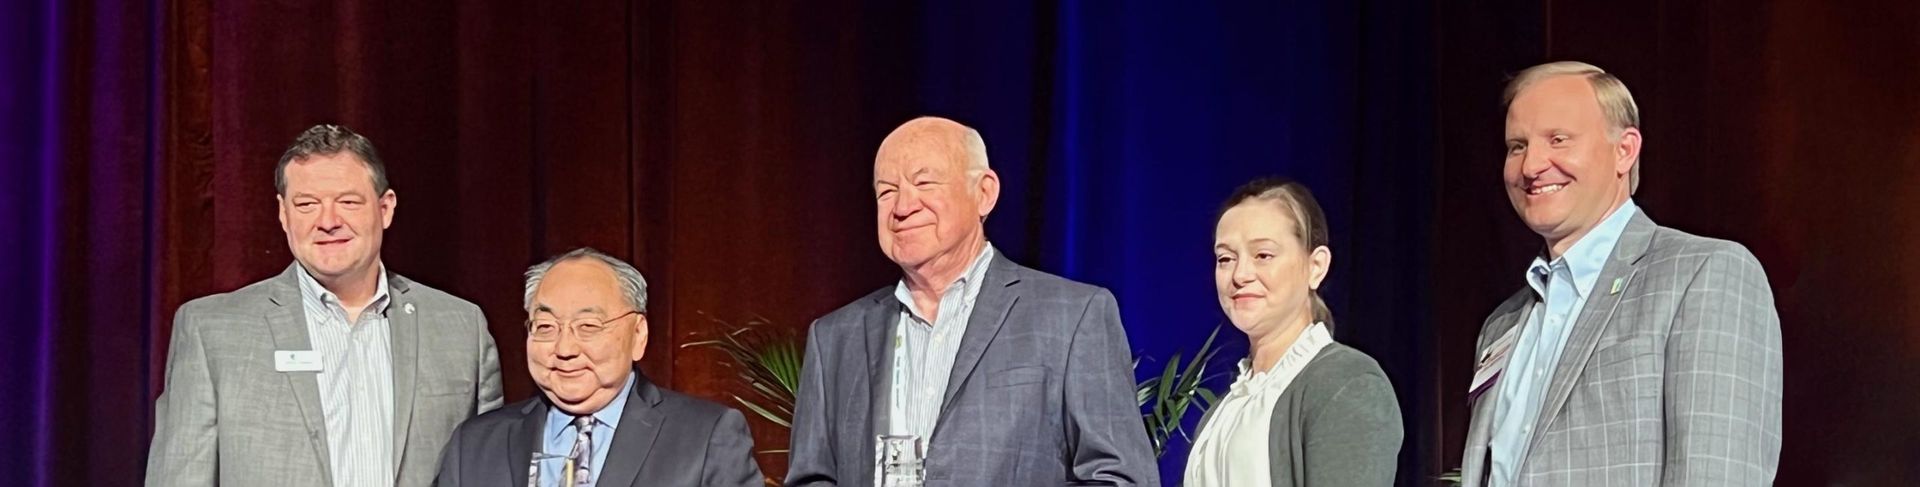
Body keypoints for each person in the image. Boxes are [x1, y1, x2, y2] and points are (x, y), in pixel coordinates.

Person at [784, 116, 1158, 486]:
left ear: (984, 193)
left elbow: (1120, 478)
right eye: (886, 191)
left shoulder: (1072, 317)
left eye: (924, 182)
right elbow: (810, 478)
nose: (902, 206)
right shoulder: (835, 338)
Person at [1459, 61, 1783, 486]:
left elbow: (1718, 473)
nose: (1531, 165)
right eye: (1516, 146)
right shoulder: (1503, 323)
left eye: (1558, 139)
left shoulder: (1702, 275)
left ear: (1625, 150)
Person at [147, 124, 504, 487]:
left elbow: (488, 471)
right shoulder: (213, 331)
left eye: (348, 202)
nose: (328, 222)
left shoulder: (461, 328)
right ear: (284, 214)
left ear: (385, 208)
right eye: (307, 205)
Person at [435, 248, 762, 486]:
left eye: (588, 326)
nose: (564, 349)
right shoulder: (475, 444)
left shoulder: (706, 437)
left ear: (638, 335)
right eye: (546, 326)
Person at [1183, 177, 1402, 486]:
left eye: (1263, 255)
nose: (1240, 274)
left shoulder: (1346, 383)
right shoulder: (1221, 413)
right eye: (1226, 259)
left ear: (1316, 266)